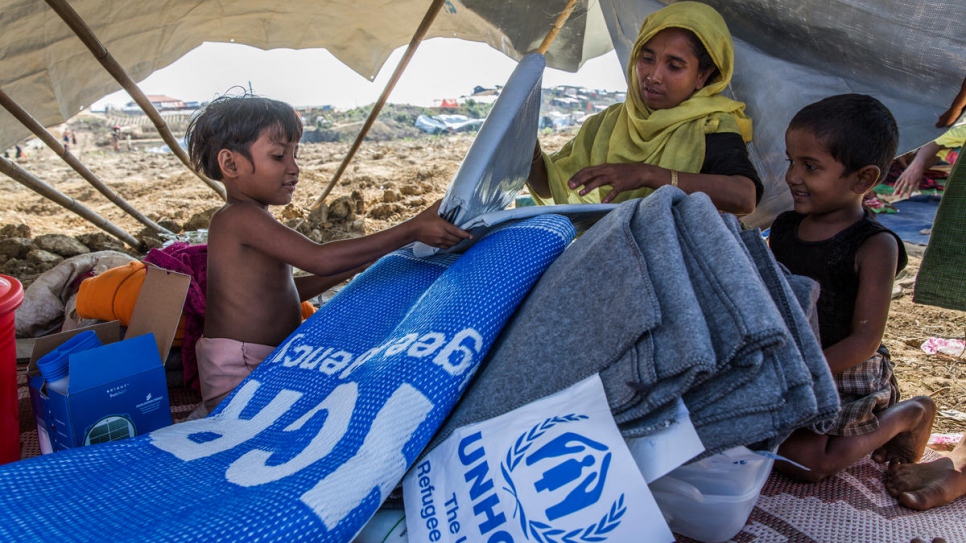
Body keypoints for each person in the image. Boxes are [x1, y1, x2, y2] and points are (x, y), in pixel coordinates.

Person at [184, 93, 471, 411]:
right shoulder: (239, 218)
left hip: (263, 362)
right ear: (230, 163)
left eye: (295, 154)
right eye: (279, 156)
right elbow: (320, 259)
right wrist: (410, 229)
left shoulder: (251, 217)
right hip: (238, 376)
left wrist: (364, 260)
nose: (294, 168)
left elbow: (287, 291)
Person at [768, 94, 937, 483]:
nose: (793, 176)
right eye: (791, 161)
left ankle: (910, 413)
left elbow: (864, 339)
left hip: (844, 370)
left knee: (805, 463)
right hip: (791, 363)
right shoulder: (783, 228)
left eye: (810, 166)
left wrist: (804, 371)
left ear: (863, 179)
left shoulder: (876, 245)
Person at [526, 1, 762, 216]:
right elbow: (551, 186)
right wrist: (525, 145)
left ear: (702, 75)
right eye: (647, 59)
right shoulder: (607, 124)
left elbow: (744, 197)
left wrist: (648, 175)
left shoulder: (711, 124)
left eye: (674, 66)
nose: (654, 76)